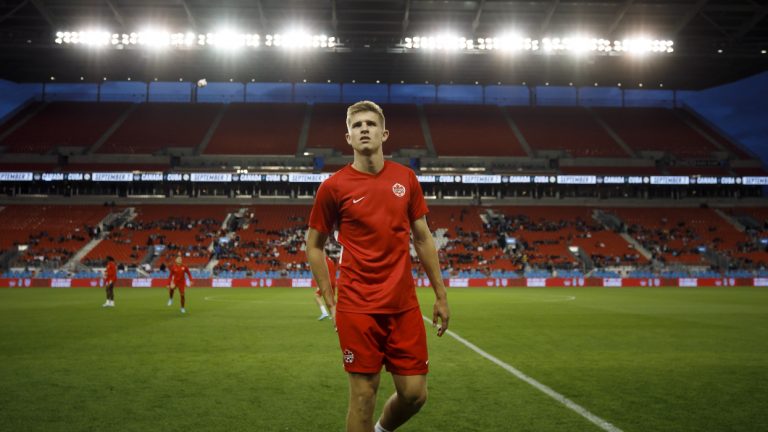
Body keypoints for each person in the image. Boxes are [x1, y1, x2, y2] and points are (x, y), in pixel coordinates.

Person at [306, 100, 450, 432]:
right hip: (357, 306)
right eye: (357, 125)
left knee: (414, 394)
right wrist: (330, 297)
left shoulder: (406, 179)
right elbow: (313, 245)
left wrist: (441, 295)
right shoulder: (334, 187)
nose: (364, 129)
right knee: (362, 396)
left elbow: (424, 238)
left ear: (384, 133)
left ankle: (381, 430)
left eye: (370, 124)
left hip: (403, 304)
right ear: (348, 137)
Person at [313, 251, 337, 321]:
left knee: (316, 296)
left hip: (327, 282)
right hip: (333, 282)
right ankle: (335, 314)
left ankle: (324, 312)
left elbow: (322, 273)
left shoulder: (323, 261)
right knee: (331, 299)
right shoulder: (331, 261)